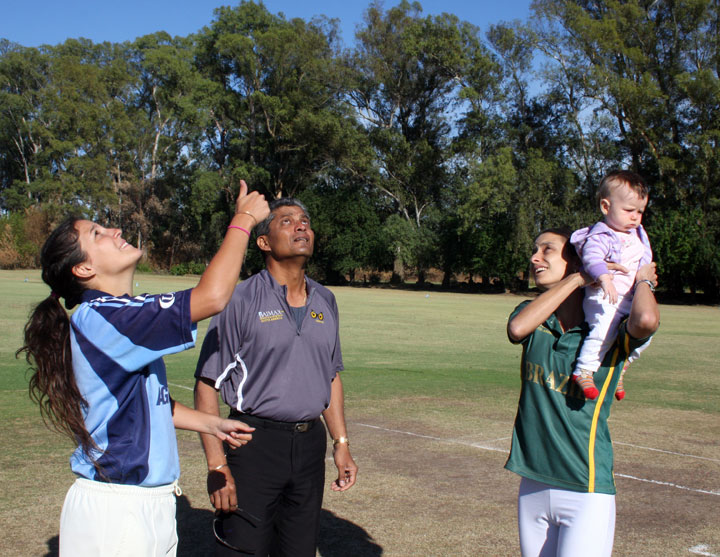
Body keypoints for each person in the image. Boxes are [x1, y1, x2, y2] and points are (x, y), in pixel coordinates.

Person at [17, 181, 269, 556]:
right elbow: (213, 296)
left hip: (141, 504)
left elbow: (145, 403)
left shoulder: (116, 316)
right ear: (83, 267)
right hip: (117, 511)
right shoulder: (106, 317)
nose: (114, 231)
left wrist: (209, 423)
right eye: (97, 233)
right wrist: (243, 220)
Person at [194, 197, 358, 557]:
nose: (301, 226)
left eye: (305, 220)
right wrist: (217, 464)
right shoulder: (239, 299)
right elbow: (207, 384)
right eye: (287, 222)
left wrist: (340, 443)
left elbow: (330, 376)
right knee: (242, 548)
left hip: (309, 445)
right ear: (264, 242)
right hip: (253, 444)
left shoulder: (326, 300)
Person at [505, 227, 659, 557]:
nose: (535, 257)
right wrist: (577, 279)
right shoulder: (533, 320)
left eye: (547, 250)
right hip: (532, 481)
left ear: (576, 259)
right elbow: (516, 330)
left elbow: (645, 319)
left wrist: (643, 278)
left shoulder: (608, 334)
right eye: (535, 249)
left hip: (585, 488)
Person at [570, 170, 654, 400]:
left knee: (647, 333)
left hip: (628, 298)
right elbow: (592, 257)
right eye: (628, 210)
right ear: (606, 207)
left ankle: (621, 367)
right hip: (604, 297)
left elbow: (645, 259)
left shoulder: (638, 233)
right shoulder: (602, 233)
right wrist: (605, 278)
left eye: (640, 211)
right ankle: (584, 370)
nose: (635, 217)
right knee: (603, 330)